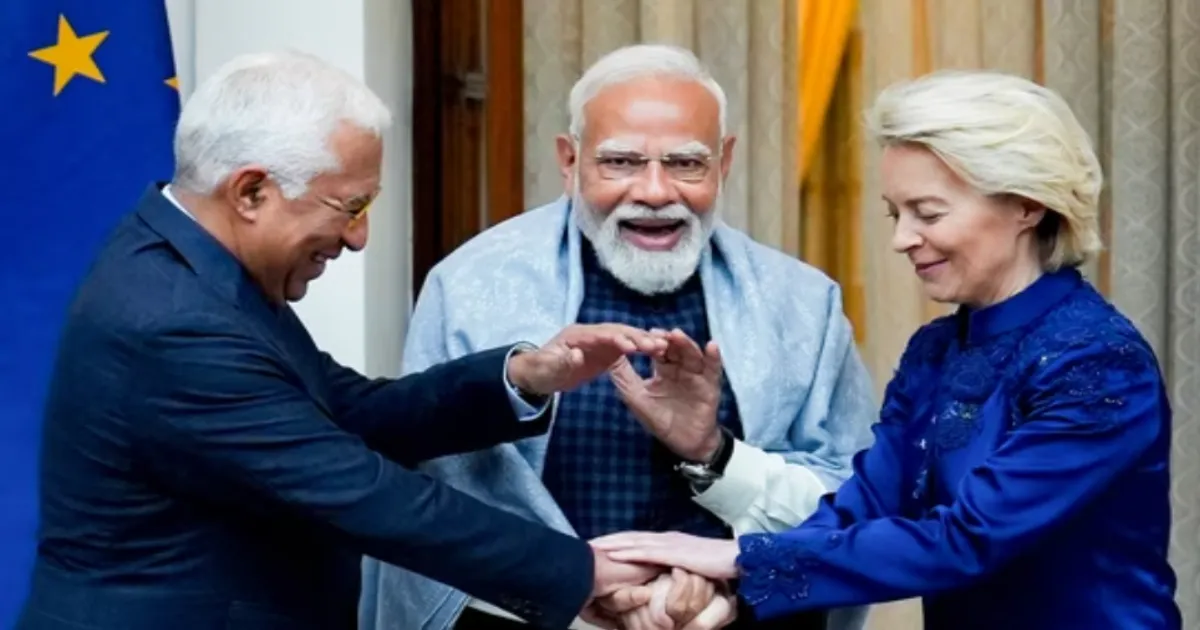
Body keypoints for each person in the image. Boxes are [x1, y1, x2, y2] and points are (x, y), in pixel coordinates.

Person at [16, 50, 672, 630]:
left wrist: (525, 376)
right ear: (251, 192)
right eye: (351, 207)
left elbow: (353, 414)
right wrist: (578, 570)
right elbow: (365, 495)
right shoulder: (176, 322)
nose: (359, 237)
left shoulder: (198, 269)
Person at [590, 69, 1183, 630]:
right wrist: (722, 593)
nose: (902, 239)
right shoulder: (936, 349)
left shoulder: (1098, 361)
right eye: (896, 213)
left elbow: (967, 540)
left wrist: (735, 561)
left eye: (929, 212)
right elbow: (865, 507)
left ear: (1028, 205)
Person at [359, 44, 878, 630]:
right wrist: (573, 590)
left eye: (686, 163)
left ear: (724, 161)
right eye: (622, 162)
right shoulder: (472, 284)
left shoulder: (802, 304)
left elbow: (854, 497)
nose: (655, 192)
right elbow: (430, 497)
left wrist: (717, 480)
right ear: (569, 159)